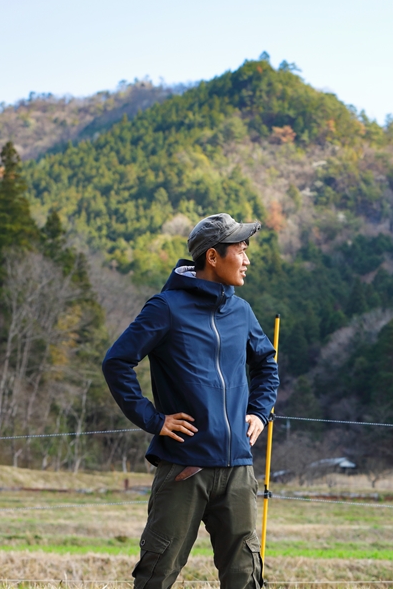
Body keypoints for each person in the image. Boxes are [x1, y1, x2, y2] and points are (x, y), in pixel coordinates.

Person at [102, 213, 279, 589]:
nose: (247, 259)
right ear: (213, 257)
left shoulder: (241, 312)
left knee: (246, 578)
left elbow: (267, 365)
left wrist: (260, 413)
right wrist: (154, 419)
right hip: (184, 467)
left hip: (237, 468)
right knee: (156, 575)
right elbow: (117, 362)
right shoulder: (165, 308)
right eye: (240, 250)